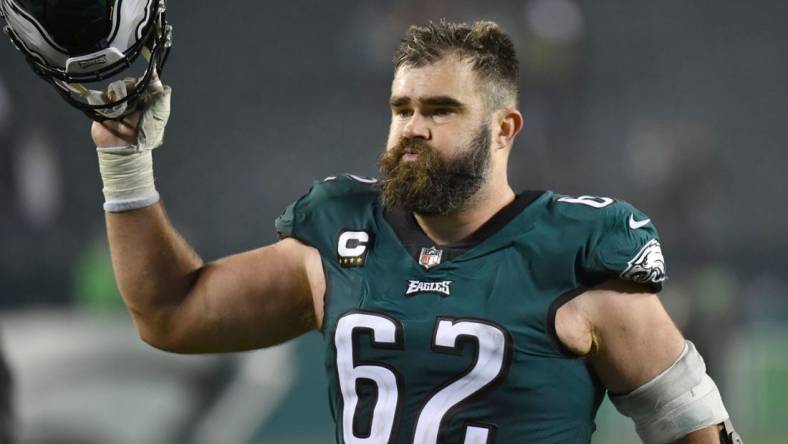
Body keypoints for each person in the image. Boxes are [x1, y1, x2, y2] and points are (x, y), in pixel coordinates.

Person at [91, 20, 737, 444]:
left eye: (440, 109)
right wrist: (123, 157)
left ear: (504, 129)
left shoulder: (575, 255)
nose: (412, 128)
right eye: (401, 109)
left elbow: (697, 431)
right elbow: (169, 316)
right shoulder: (342, 237)